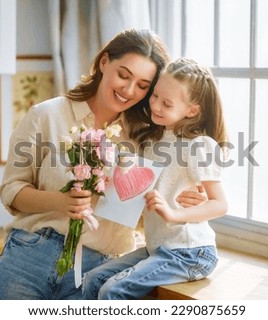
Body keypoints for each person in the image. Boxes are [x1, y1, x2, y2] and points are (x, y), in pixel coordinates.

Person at [0, 29, 204, 300]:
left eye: (142, 85)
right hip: (27, 261)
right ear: (104, 62)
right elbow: (11, 190)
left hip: (97, 272)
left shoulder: (149, 136)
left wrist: (190, 197)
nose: (128, 90)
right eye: (123, 75)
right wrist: (59, 201)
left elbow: (157, 200)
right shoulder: (47, 115)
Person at [82, 57, 228, 300]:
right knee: (93, 280)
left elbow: (220, 204)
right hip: (158, 249)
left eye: (166, 103)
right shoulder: (154, 143)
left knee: (111, 291)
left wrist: (174, 214)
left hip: (190, 253)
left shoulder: (199, 146)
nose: (156, 106)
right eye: (155, 96)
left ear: (192, 110)